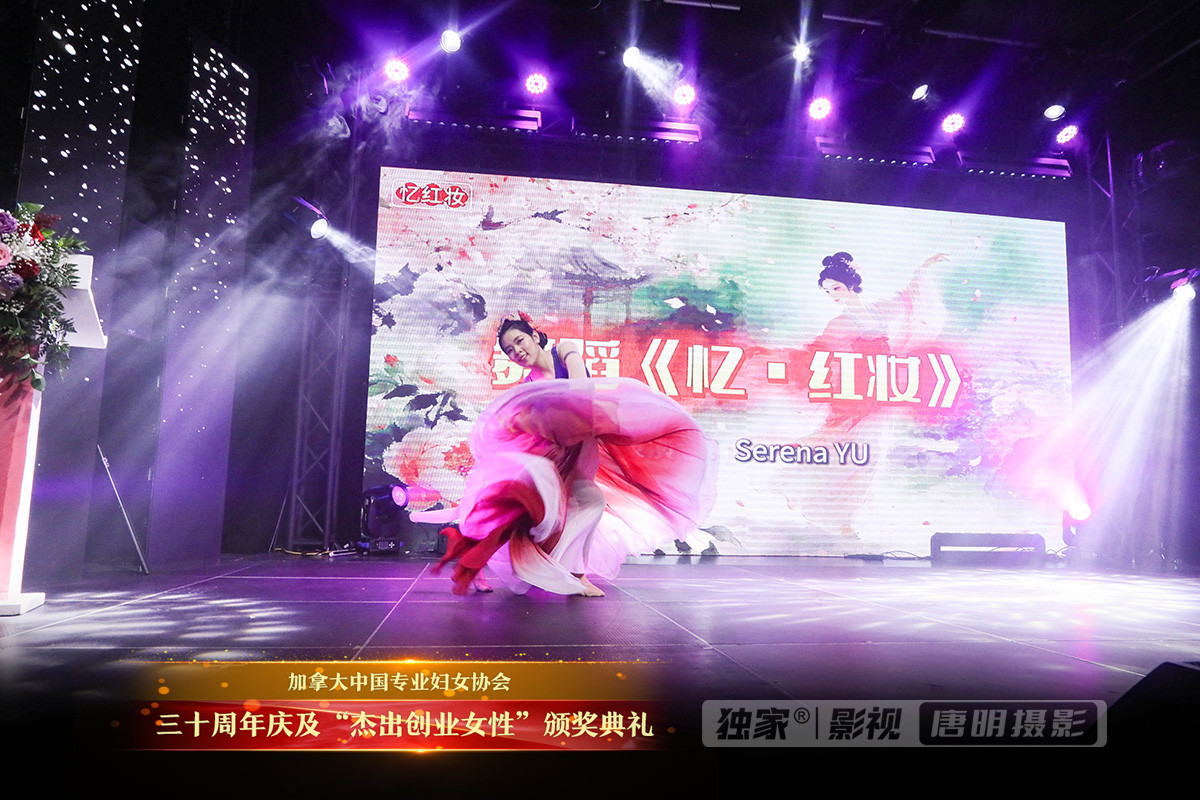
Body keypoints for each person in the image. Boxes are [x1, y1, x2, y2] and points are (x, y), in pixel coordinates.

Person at [413, 315, 716, 597]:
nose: (517, 351)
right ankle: (553, 572)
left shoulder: (564, 352)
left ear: (534, 337)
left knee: (587, 504)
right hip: (557, 459)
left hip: (581, 452)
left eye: (520, 341)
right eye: (509, 350)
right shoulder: (528, 389)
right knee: (527, 515)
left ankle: (567, 572)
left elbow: (581, 391)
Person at [799, 251, 947, 536]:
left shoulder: (878, 310)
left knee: (873, 455)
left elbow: (907, 297)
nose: (832, 295)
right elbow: (818, 353)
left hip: (879, 393)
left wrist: (923, 268)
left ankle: (843, 516)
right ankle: (827, 513)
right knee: (846, 452)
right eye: (827, 291)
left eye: (836, 288)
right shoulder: (838, 324)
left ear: (850, 284)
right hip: (853, 395)